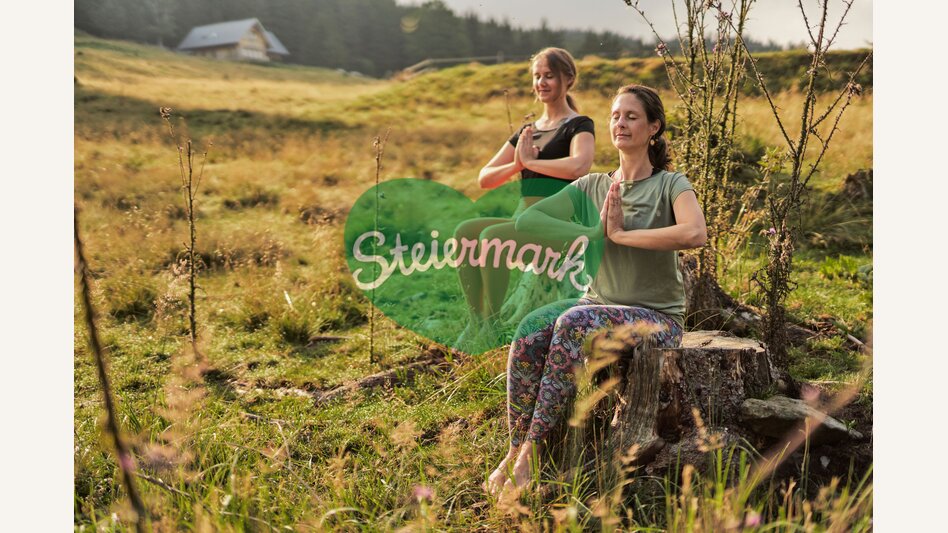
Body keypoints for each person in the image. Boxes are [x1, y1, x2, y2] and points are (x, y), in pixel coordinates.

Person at [484, 84, 708, 497]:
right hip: (598, 306)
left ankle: (530, 459)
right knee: (532, 327)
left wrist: (622, 235)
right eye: (615, 116)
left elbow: (695, 233)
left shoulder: (671, 184)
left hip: (657, 319)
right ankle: (514, 448)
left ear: (654, 127)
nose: (619, 123)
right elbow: (527, 223)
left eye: (631, 116)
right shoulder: (592, 187)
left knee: (571, 322)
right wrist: (592, 232)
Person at [454, 47, 595, 350]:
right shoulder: (528, 132)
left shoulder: (579, 124)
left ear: (568, 79)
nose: (542, 83)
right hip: (524, 221)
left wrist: (531, 164)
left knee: (493, 237)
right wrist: (518, 163)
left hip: (559, 224)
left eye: (549, 76)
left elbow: (579, 165)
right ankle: (476, 320)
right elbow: (485, 178)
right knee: (465, 232)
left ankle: (492, 327)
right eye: (537, 76)